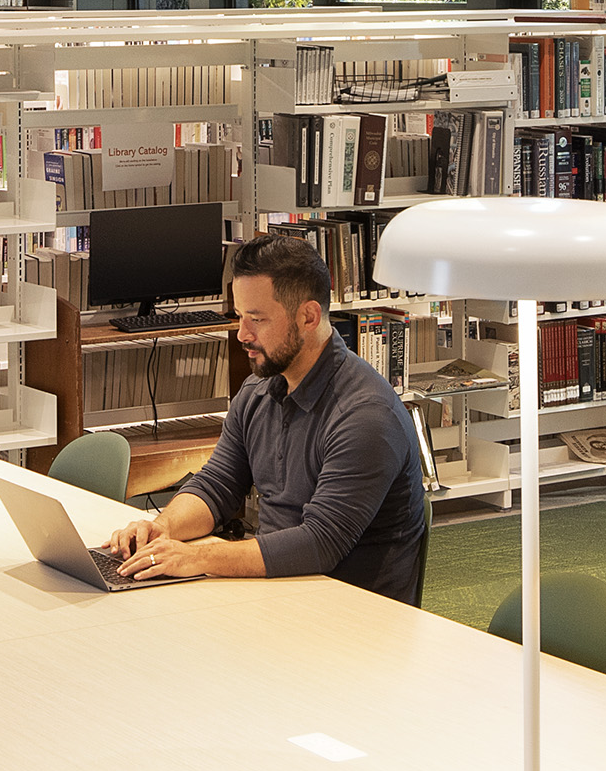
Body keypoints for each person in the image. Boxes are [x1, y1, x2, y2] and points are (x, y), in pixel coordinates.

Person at [104, 231, 430, 604]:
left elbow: (320, 543)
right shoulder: (260, 390)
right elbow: (217, 486)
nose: (242, 334)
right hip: (280, 591)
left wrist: (199, 556)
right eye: (240, 316)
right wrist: (161, 530)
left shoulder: (367, 417)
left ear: (309, 316)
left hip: (351, 615)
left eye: (257, 319)